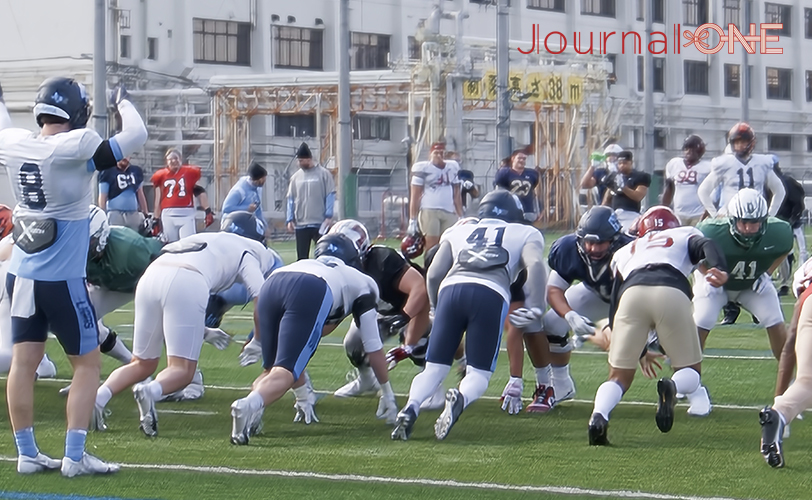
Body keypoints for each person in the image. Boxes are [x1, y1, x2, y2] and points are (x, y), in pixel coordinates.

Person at [0, 78, 147, 476]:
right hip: (60, 279)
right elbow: (137, 134)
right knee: (86, 366)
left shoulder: (14, 143)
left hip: (21, 275)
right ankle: (74, 455)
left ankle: (27, 454)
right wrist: (122, 100)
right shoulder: (77, 147)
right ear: (78, 113)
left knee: (23, 365)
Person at [390, 189, 547, 442]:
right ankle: (460, 398)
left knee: (433, 369)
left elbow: (433, 274)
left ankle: (411, 407)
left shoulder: (457, 230)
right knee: (478, 374)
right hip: (490, 293)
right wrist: (537, 306)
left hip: (451, 290)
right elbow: (536, 265)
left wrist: (434, 307)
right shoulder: (526, 232)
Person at [92, 231, 278, 437]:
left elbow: (173, 313)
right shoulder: (252, 255)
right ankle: (150, 391)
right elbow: (261, 300)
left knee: (141, 363)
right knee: (182, 371)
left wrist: (204, 331)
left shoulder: (217, 239)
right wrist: (258, 340)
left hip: (151, 275)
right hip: (187, 278)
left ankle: (99, 399)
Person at [230, 233, 398, 445]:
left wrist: (258, 339)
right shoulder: (363, 282)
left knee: (271, 370)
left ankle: (253, 413)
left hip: (273, 283)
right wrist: (387, 393)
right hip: (312, 288)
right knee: (285, 373)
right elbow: (373, 348)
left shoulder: (306, 263)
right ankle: (248, 405)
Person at [588, 206, 728, 446]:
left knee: (618, 377)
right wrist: (720, 268)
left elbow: (615, 304)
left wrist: (638, 350)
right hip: (670, 291)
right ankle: (672, 387)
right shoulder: (684, 234)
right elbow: (707, 245)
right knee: (691, 373)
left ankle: (599, 416)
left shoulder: (626, 250)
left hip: (630, 297)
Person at [506, 206, 633, 414]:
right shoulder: (568, 248)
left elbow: (641, 292)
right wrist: (570, 315)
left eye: (599, 242)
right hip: (595, 293)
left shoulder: (629, 250)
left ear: (614, 239)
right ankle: (562, 384)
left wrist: (615, 325)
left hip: (630, 299)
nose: (592, 248)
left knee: (653, 343)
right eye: (588, 242)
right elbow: (554, 289)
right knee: (552, 323)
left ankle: (692, 389)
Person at [692, 189, 793, 397]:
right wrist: (707, 275)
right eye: (743, 222)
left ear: (764, 221)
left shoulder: (779, 232)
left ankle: (790, 383)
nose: (748, 228)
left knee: (775, 320)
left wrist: (766, 272)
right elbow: (692, 255)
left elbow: (784, 249)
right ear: (732, 220)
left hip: (751, 284)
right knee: (701, 321)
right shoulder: (711, 231)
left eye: (754, 222)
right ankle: (689, 379)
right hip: (717, 284)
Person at [327, 220, 437, 405]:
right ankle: (367, 380)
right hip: (377, 312)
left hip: (411, 310)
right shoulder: (341, 269)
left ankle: (431, 384)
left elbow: (419, 289)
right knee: (352, 344)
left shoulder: (382, 258)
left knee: (418, 340)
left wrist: (402, 318)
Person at [761, 257, 812, 468]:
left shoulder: (806, 268)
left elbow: (790, 342)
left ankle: (779, 413)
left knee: (807, 382)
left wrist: (778, 398)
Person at [697, 122, 785, 218]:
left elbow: (779, 190)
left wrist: (770, 214)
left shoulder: (762, 163)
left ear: (751, 142)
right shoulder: (725, 163)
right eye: (736, 142)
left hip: (756, 217)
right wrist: (715, 214)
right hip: (731, 216)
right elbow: (703, 191)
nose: (739, 145)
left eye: (743, 142)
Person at [407, 142, 463, 254]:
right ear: (430, 155)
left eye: (441, 153)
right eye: (436, 153)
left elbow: (456, 193)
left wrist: (461, 215)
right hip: (430, 210)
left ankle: (447, 271)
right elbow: (415, 195)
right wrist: (412, 220)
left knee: (449, 246)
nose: (438, 155)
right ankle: (429, 270)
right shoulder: (422, 168)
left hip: (449, 211)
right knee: (432, 247)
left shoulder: (453, 167)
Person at [151, 148, 214, 243]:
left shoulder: (189, 172)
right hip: (168, 215)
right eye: (170, 159)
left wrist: (207, 210)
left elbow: (200, 191)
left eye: (176, 158)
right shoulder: (160, 175)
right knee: (171, 246)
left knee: (188, 244)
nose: (173, 161)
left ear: (180, 159)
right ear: (166, 161)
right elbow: (158, 200)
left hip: (186, 214)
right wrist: (156, 219)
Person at [286, 142, 335, 260]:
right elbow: (291, 199)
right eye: (299, 161)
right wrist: (289, 219)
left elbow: (330, 195)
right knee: (302, 258)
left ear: (308, 159)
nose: (299, 163)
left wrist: (328, 216)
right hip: (301, 224)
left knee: (323, 256)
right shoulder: (295, 177)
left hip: (320, 223)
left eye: (301, 161)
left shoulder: (323, 174)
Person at [770, 157, 806, 296]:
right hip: (777, 223)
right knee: (783, 253)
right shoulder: (767, 182)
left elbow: (798, 202)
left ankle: (799, 281)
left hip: (792, 223)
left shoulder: (788, 182)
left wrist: (793, 218)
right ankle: (783, 281)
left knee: (801, 252)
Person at [662, 135, 711, 226]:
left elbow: (712, 194)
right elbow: (669, 188)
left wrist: (707, 212)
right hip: (678, 213)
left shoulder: (708, 167)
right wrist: (664, 209)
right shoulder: (674, 164)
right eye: (687, 148)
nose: (689, 152)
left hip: (698, 214)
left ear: (700, 151)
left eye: (693, 149)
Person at [601, 151, 651, 231]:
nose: (622, 166)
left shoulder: (639, 176)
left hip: (630, 214)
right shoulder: (616, 177)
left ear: (631, 163)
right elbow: (607, 199)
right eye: (619, 163)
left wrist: (623, 187)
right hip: (615, 215)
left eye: (624, 163)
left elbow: (638, 196)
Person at [98, 156, 148, 231]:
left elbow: (140, 193)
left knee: (134, 239)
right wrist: (102, 215)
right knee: (116, 239)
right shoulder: (107, 171)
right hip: (115, 213)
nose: (124, 158)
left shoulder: (136, 171)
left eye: (127, 155)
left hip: (133, 214)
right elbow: (103, 196)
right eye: (122, 155)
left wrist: (145, 213)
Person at [494, 148, 540, 222]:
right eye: (519, 158)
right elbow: (498, 191)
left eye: (524, 158)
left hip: (527, 209)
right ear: (513, 158)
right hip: (509, 209)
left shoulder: (532, 174)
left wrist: (537, 211)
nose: (522, 160)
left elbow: (532, 191)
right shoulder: (504, 173)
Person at [222, 161, 267, 227]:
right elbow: (226, 208)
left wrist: (265, 226)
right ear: (258, 179)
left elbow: (258, 210)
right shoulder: (239, 190)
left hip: (248, 225)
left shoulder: (258, 188)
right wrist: (246, 208)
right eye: (263, 178)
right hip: (233, 227)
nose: (265, 180)